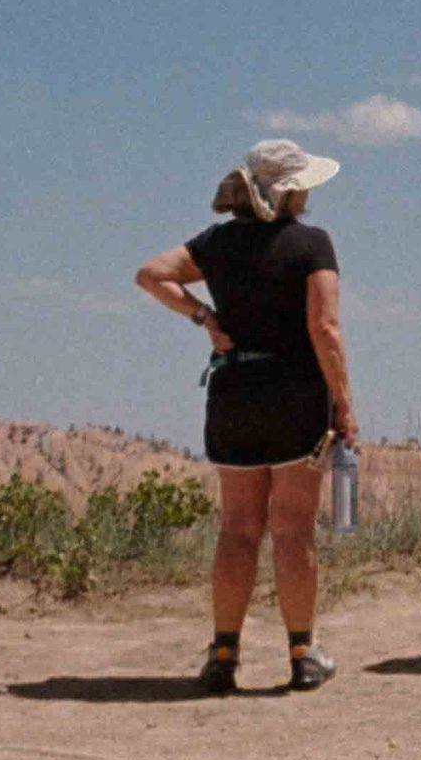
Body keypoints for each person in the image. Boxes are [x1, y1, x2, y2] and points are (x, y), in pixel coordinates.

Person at [136, 138, 359, 697]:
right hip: (295, 395)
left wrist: (203, 316)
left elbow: (151, 274)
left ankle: (223, 655)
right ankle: (304, 653)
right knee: (292, 530)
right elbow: (324, 329)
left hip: (233, 392)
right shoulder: (311, 244)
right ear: (290, 191)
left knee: (237, 530)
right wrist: (346, 403)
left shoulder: (216, 243)